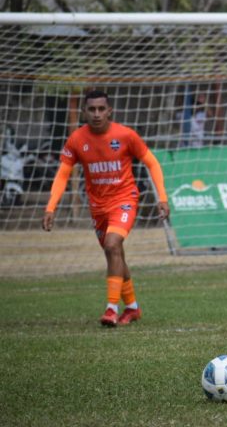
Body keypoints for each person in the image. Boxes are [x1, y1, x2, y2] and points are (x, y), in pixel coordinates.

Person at [42, 90, 170, 327]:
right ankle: (132, 307)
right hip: (98, 207)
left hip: (124, 199)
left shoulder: (125, 135)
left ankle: (111, 309)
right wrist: (51, 207)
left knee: (112, 245)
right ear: (84, 111)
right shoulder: (77, 139)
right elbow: (62, 174)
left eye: (101, 109)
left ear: (109, 110)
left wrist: (162, 197)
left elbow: (152, 162)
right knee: (115, 254)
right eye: (92, 109)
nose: (97, 114)